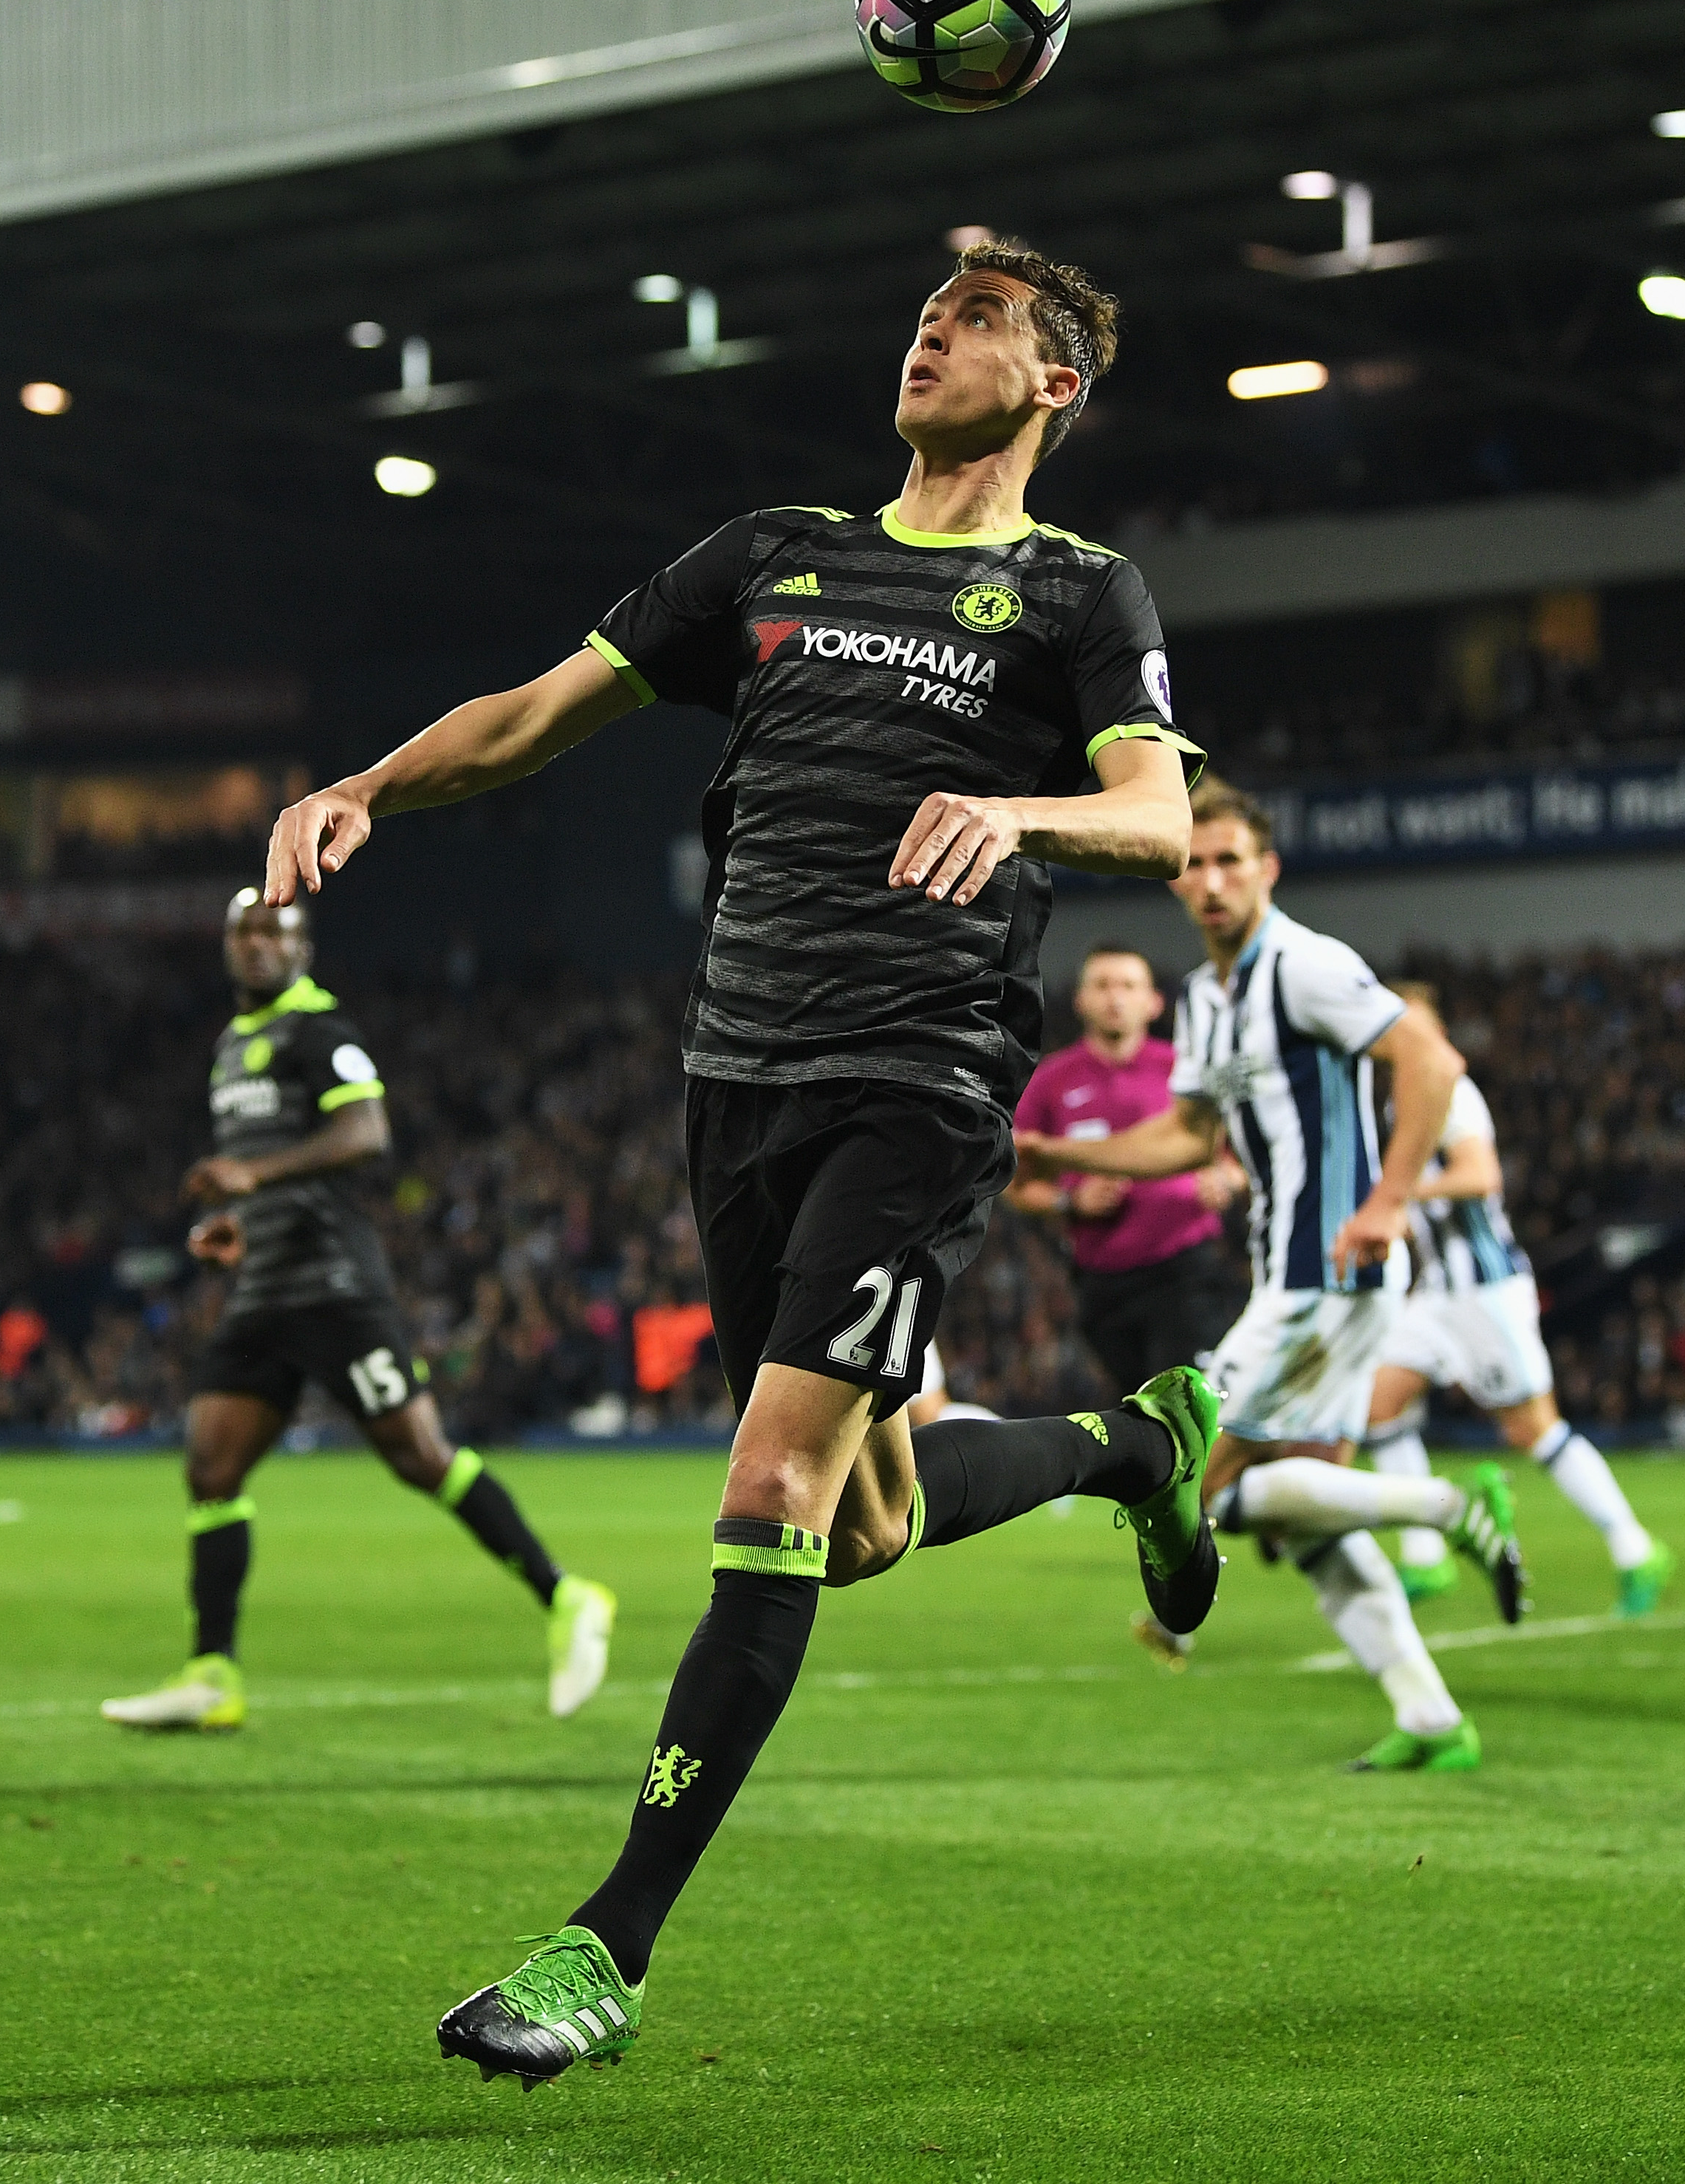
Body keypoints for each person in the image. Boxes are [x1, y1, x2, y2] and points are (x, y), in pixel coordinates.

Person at [259, 239, 1218, 2086]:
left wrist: (1013, 804)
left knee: (768, 1481)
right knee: (848, 1523)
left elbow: (1158, 810)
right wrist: (369, 782)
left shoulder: (1076, 591)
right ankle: (1132, 1443)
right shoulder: (770, 549)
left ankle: (599, 1943)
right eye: (926, 314)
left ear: (1051, 387)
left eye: (977, 321)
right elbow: (534, 716)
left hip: (917, 1080)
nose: (928, 331)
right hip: (738, 1083)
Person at [1018, 782, 1520, 1776]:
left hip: (1327, 1267)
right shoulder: (1206, 997)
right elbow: (1188, 1135)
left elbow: (1428, 1058)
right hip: (1285, 1271)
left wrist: (1383, 1201)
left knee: (1189, 1475)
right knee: (1279, 1512)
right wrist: (1061, 1153)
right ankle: (1427, 1714)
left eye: (1230, 860)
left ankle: (1445, 1510)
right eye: (1193, 864)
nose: (1210, 880)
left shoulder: (1306, 965)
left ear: (1266, 869)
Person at [100, 889, 618, 1734]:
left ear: (303, 950)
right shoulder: (233, 1046)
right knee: (210, 1470)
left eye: (277, 931)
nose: (259, 944)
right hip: (265, 1288)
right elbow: (268, 1165)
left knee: (420, 1458)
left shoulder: (318, 1033)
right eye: (246, 930)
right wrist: (242, 1222)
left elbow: (366, 1134)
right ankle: (212, 1673)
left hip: (337, 1289)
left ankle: (568, 1597)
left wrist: (255, 1181)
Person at [1359, 982, 1671, 1616]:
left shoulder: (1451, 1094)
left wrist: (1395, 1196)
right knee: (1376, 1409)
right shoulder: (1400, 1104)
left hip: (1484, 1290)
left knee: (1532, 1427)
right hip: (1437, 1293)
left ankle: (1635, 1548)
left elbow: (1481, 1176)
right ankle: (1425, 1557)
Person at [1006, 945, 1249, 1397]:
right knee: (1138, 1412)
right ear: (1079, 1000)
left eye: (1127, 986)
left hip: (1187, 1270)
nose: (1114, 997)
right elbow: (1016, 1185)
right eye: (1102, 985)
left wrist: (1226, 1180)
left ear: (1153, 1002)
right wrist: (1069, 1201)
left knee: (1185, 1402)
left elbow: (1243, 1156)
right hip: (1101, 1282)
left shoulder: (1185, 1070)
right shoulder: (1051, 1081)